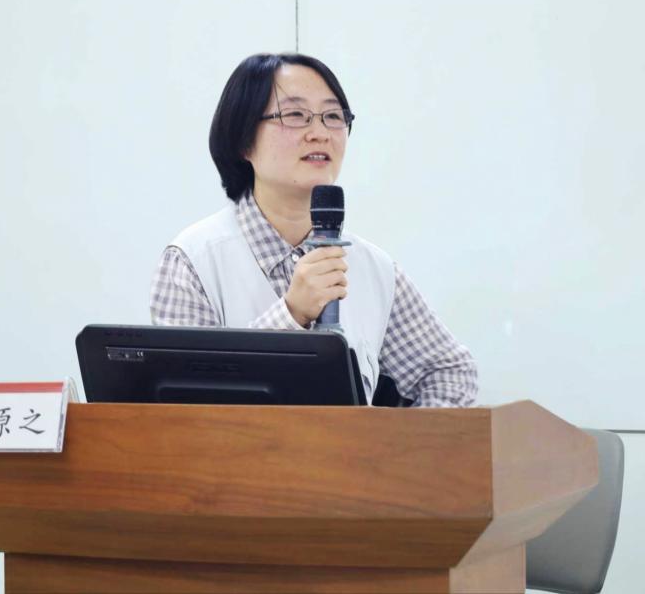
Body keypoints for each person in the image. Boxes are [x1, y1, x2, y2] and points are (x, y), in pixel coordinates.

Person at [149, 53, 477, 407]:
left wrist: (392, 441)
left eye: (333, 116)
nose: (320, 133)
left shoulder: (373, 268)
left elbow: (452, 373)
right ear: (243, 140)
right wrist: (291, 314)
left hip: (349, 447)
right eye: (295, 115)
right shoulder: (193, 261)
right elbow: (187, 405)